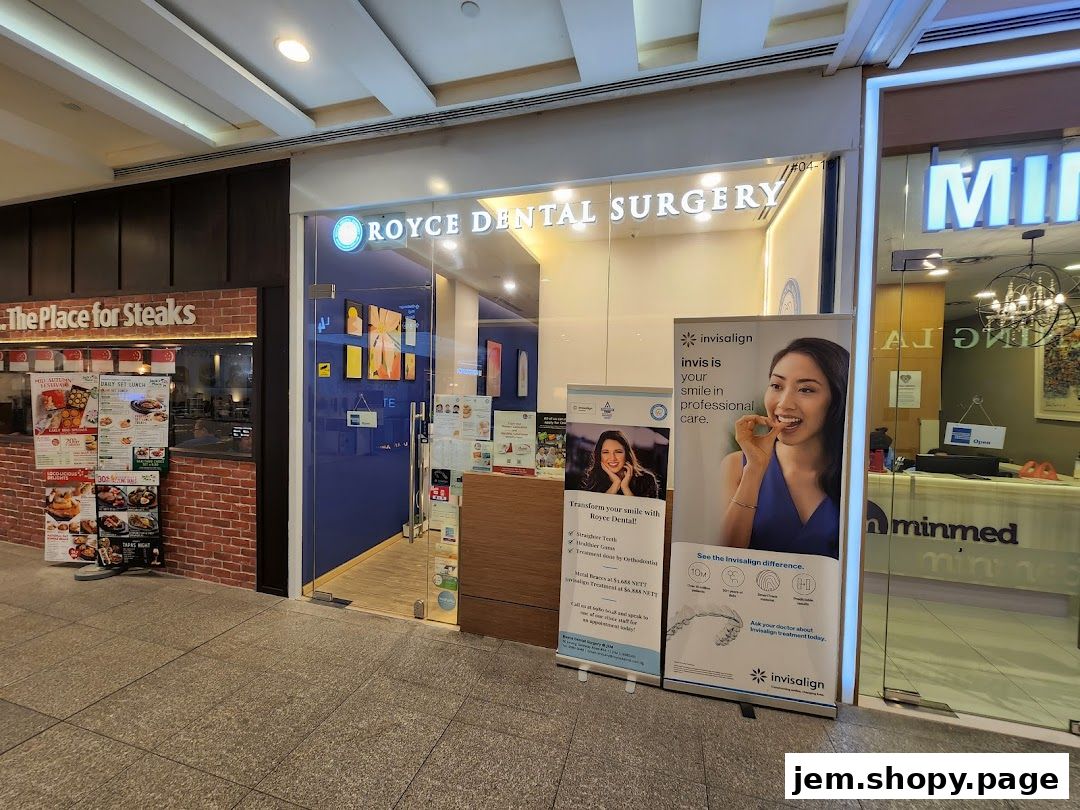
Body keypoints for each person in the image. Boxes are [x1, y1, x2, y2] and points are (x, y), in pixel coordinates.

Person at [716, 337, 848, 559]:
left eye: (806, 390)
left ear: (837, 399)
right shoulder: (736, 465)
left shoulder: (850, 473)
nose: (784, 403)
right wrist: (755, 470)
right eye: (777, 386)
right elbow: (726, 557)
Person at [579, 430, 660, 498]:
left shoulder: (647, 480)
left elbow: (644, 514)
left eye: (618, 452)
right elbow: (594, 510)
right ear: (599, 456)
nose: (612, 458)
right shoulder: (593, 479)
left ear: (627, 454)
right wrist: (615, 484)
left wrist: (625, 488)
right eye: (605, 452)